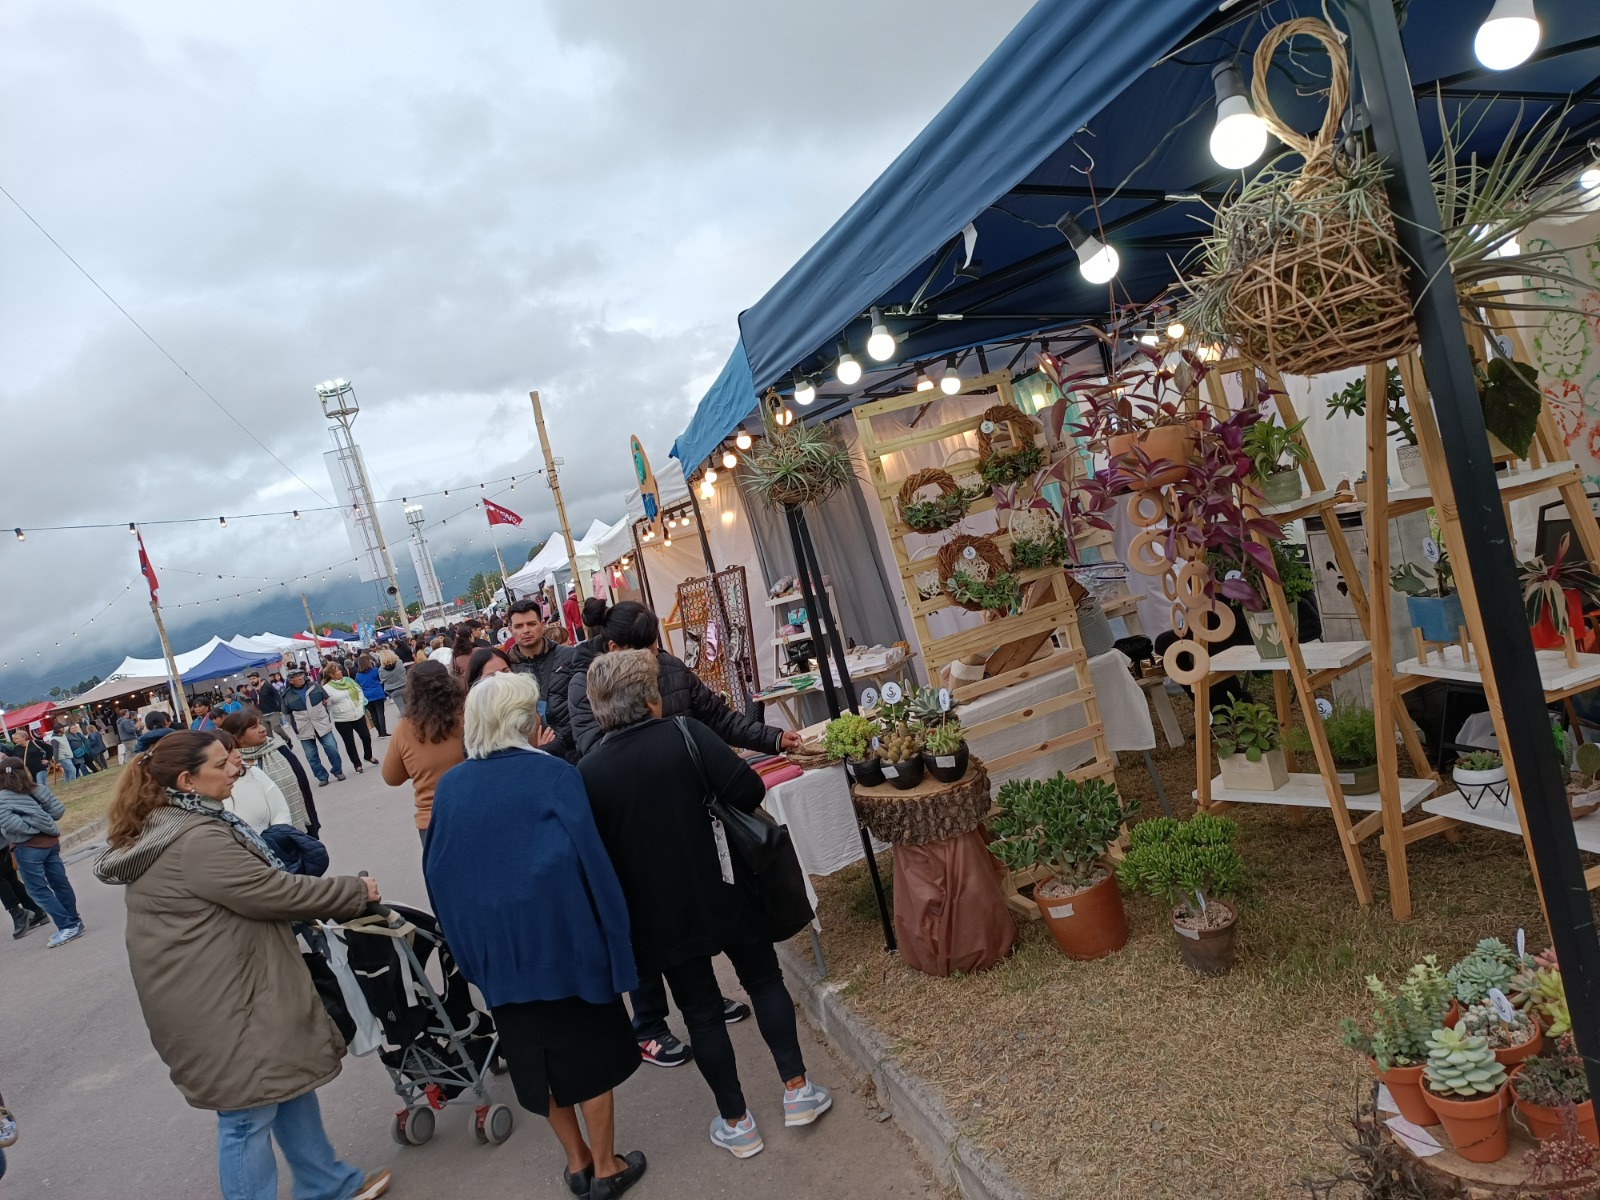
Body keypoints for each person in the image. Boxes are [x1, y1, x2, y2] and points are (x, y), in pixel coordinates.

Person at [92, 732, 389, 1200]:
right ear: (188, 780)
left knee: (286, 1088)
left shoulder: (174, 823)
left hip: (223, 992)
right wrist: (355, 891)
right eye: (221, 764)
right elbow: (275, 892)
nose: (237, 768)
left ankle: (327, 1184)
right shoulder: (195, 838)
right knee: (246, 1116)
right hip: (220, 1004)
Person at [580, 651, 830, 1159]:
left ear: (601, 708)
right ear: (647, 696)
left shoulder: (589, 772)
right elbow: (749, 787)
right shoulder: (688, 734)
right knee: (763, 981)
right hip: (728, 883)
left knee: (700, 1015)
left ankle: (737, 1122)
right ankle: (798, 1090)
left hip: (658, 912)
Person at [422, 672, 646, 1200]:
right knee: (590, 1061)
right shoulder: (554, 776)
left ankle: (577, 1162)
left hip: (500, 960)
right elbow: (595, 866)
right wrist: (618, 944)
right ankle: (608, 1166)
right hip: (568, 949)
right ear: (526, 721)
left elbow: (439, 879)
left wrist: (471, 958)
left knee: (535, 1064)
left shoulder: (451, 786)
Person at [569, 602, 801, 760]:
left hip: (693, 789)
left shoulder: (671, 667)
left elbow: (719, 719)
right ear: (614, 648)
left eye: (653, 644)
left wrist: (773, 738)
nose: (653, 654)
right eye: (644, 649)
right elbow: (596, 754)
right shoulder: (586, 688)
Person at [0, 757, 85, 947]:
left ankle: (68, 925)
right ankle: (74, 920)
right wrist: (43, 825)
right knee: (60, 883)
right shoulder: (37, 789)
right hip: (50, 842)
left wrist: (33, 828)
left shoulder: (2, 798)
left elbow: (9, 824)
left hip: (27, 847)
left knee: (38, 890)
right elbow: (57, 812)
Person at [380, 661, 465, 839]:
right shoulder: (469, 715)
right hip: (475, 807)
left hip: (432, 820)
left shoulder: (405, 729)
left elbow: (392, 778)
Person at [218, 709, 317, 835]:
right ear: (238, 737)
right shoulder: (232, 765)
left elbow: (303, 788)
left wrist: (313, 824)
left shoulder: (279, 749)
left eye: (260, 724)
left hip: (297, 828)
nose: (263, 729)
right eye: (254, 727)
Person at [504, 599, 576, 760]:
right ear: (510, 630)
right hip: (535, 753)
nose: (526, 630)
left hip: (576, 747)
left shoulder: (569, 657)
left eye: (531, 624)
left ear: (542, 624)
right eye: (519, 626)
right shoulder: (506, 669)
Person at [209, 730, 291, 833]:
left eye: (235, 748)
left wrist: (277, 839)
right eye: (228, 752)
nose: (238, 754)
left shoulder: (254, 773)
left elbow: (280, 811)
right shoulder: (208, 796)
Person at [281, 667, 346, 787]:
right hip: (303, 727)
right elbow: (286, 714)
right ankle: (321, 776)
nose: (300, 677)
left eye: (301, 675)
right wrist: (296, 725)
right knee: (311, 755)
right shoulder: (286, 695)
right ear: (290, 681)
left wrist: (325, 716)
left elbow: (327, 700)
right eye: (296, 676)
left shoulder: (315, 686)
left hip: (321, 723)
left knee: (331, 747)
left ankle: (338, 770)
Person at [322, 664, 376, 772]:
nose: (340, 672)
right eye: (337, 671)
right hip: (342, 719)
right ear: (331, 674)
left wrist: (360, 704)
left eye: (339, 670)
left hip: (357, 714)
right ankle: (357, 764)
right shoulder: (326, 688)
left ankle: (368, 755)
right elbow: (326, 704)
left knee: (366, 736)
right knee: (349, 743)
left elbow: (359, 690)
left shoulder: (348, 681)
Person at [0, 842, 49, 939]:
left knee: (4, 880)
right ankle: (36, 910)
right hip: (3, 843)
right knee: (10, 879)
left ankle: (19, 914)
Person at [354, 654, 390, 738]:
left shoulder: (358, 675)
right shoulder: (374, 670)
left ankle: (379, 732)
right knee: (380, 713)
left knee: (373, 714)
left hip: (366, 696)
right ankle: (383, 731)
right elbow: (380, 679)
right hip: (377, 693)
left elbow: (357, 686)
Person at [377, 650, 408, 718]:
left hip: (393, 690)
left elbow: (382, 679)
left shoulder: (381, 670)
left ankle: (407, 723)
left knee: (402, 709)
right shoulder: (399, 662)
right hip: (404, 686)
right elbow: (404, 672)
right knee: (411, 706)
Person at [256, 671, 286, 738]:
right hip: (263, 715)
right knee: (268, 734)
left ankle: (287, 739)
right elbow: (255, 704)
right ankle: (276, 747)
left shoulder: (268, 686)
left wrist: (281, 708)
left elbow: (277, 696)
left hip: (273, 712)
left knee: (277, 729)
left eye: (253, 678)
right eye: (250, 679)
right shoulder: (253, 691)